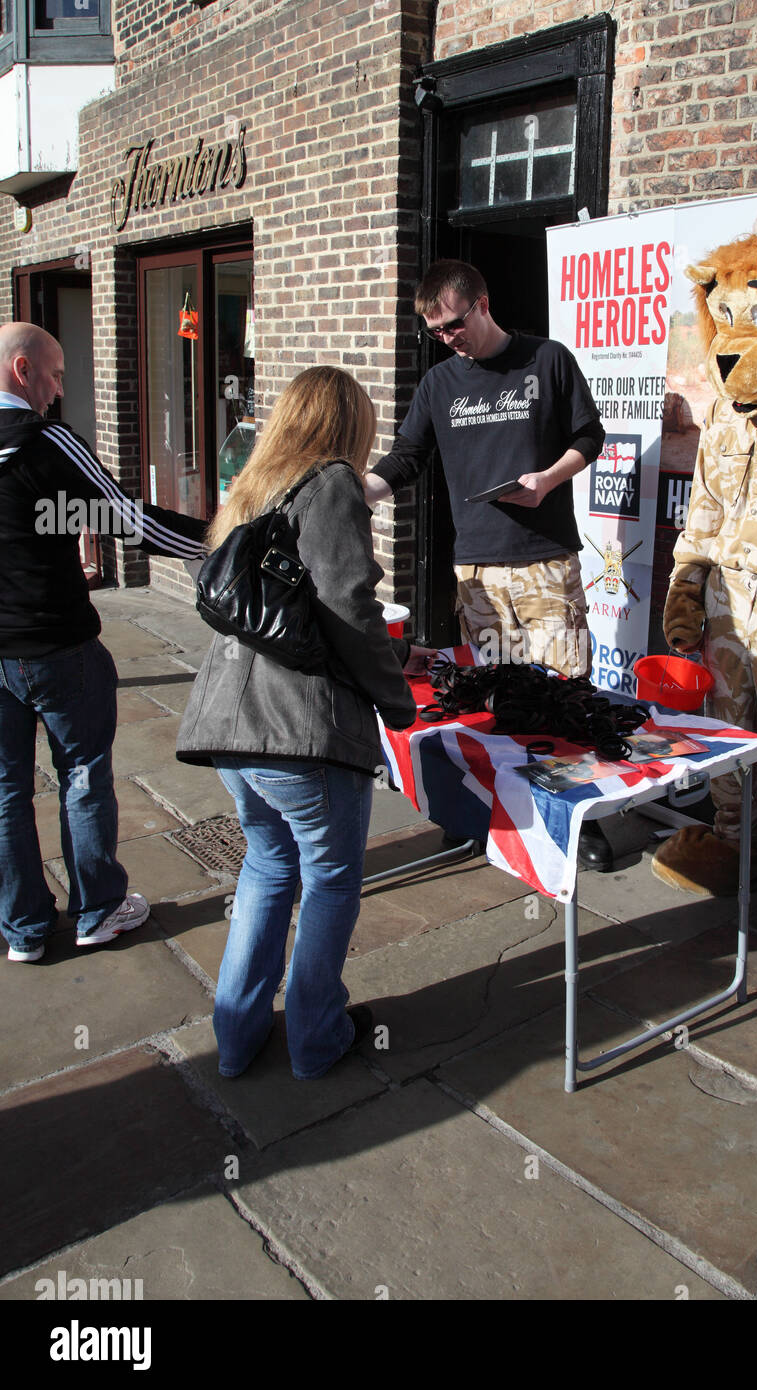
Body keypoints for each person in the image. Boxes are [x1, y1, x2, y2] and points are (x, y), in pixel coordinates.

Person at [176, 367, 430, 1080]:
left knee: (266, 869)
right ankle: (317, 1038)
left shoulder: (253, 484)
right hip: (295, 733)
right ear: (347, 423)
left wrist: (399, 651)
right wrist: (395, 697)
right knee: (330, 881)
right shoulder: (330, 482)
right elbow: (347, 605)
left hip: (229, 723)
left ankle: (235, 1038)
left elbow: (292, 610)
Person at [363, 259, 613, 868]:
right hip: (475, 567)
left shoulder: (547, 359)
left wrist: (550, 480)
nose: (446, 338)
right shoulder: (439, 384)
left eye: (452, 324)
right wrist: (354, 491)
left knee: (565, 689)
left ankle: (582, 818)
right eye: (435, 331)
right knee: (491, 692)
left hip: (545, 559)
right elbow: (408, 456)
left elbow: (590, 435)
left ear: (481, 303)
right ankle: (493, 807)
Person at [0, 322, 207, 963]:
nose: (60, 391)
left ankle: (24, 931)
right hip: (57, 645)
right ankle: (97, 910)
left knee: (5, 789)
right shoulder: (45, 442)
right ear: (22, 369)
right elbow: (124, 518)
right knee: (83, 776)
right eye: (57, 374)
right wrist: (218, 538)